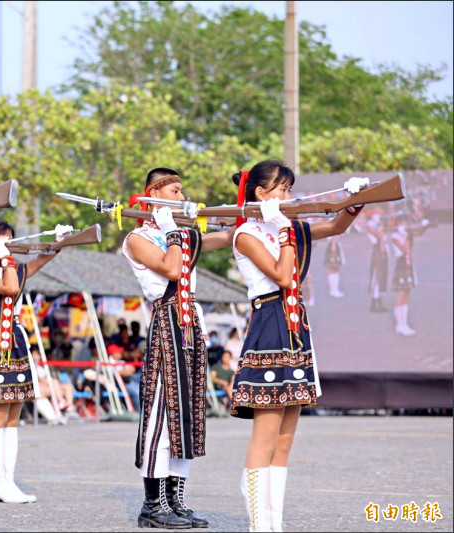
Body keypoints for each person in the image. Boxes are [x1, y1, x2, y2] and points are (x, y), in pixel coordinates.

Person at [229, 161, 368, 531]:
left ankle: (274, 523)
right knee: (266, 433)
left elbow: (335, 225)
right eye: (282, 189)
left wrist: (354, 201)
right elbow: (281, 274)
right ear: (261, 193)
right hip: (270, 324)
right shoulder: (246, 233)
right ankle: (259, 523)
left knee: (286, 439)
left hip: (295, 326)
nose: (288, 196)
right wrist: (283, 229)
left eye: (290, 189)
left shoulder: (285, 227)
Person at [124, 167, 233, 529]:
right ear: (154, 193)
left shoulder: (183, 234)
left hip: (190, 323)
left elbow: (228, 238)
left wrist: (254, 215)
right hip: (167, 320)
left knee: (186, 415)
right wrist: (173, 229)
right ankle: (152, 505)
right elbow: (172, 269)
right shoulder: (137, 237)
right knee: (160, 414)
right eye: (174, 190)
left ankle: (176, 500)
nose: (181, 196)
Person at [0, 218, 69, 503]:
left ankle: (6, 481)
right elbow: (10, 289)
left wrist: (58, 243)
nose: (8, 242)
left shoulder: (6, 267)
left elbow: (37, 263)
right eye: (2, 238)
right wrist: (6, 257)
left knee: (13, 416)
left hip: (15, 337)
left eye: (10, 237)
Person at [390, 213, 430, 335]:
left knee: (407, 293)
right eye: (402, 223)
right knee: (401, 294)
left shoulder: (406, 234)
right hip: (401, 263)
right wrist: (407, 236)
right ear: (397, 224)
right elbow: (405, 248)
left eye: (406, 223)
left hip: (408, 264)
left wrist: (424, 226)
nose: (405, 225)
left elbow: (418, 233)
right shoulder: (395, 235)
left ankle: (405, 323)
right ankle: (399, 324)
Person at [364, 207, 390, 312]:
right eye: (379, 209)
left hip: (381, 249)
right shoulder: (371, 223)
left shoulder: (380, 222)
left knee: (381, 277)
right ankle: (374, 303)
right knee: (376, 276)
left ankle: (378, 301)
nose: (382, 211)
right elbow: (377, 234)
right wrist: (380, 228)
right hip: (377, 250)